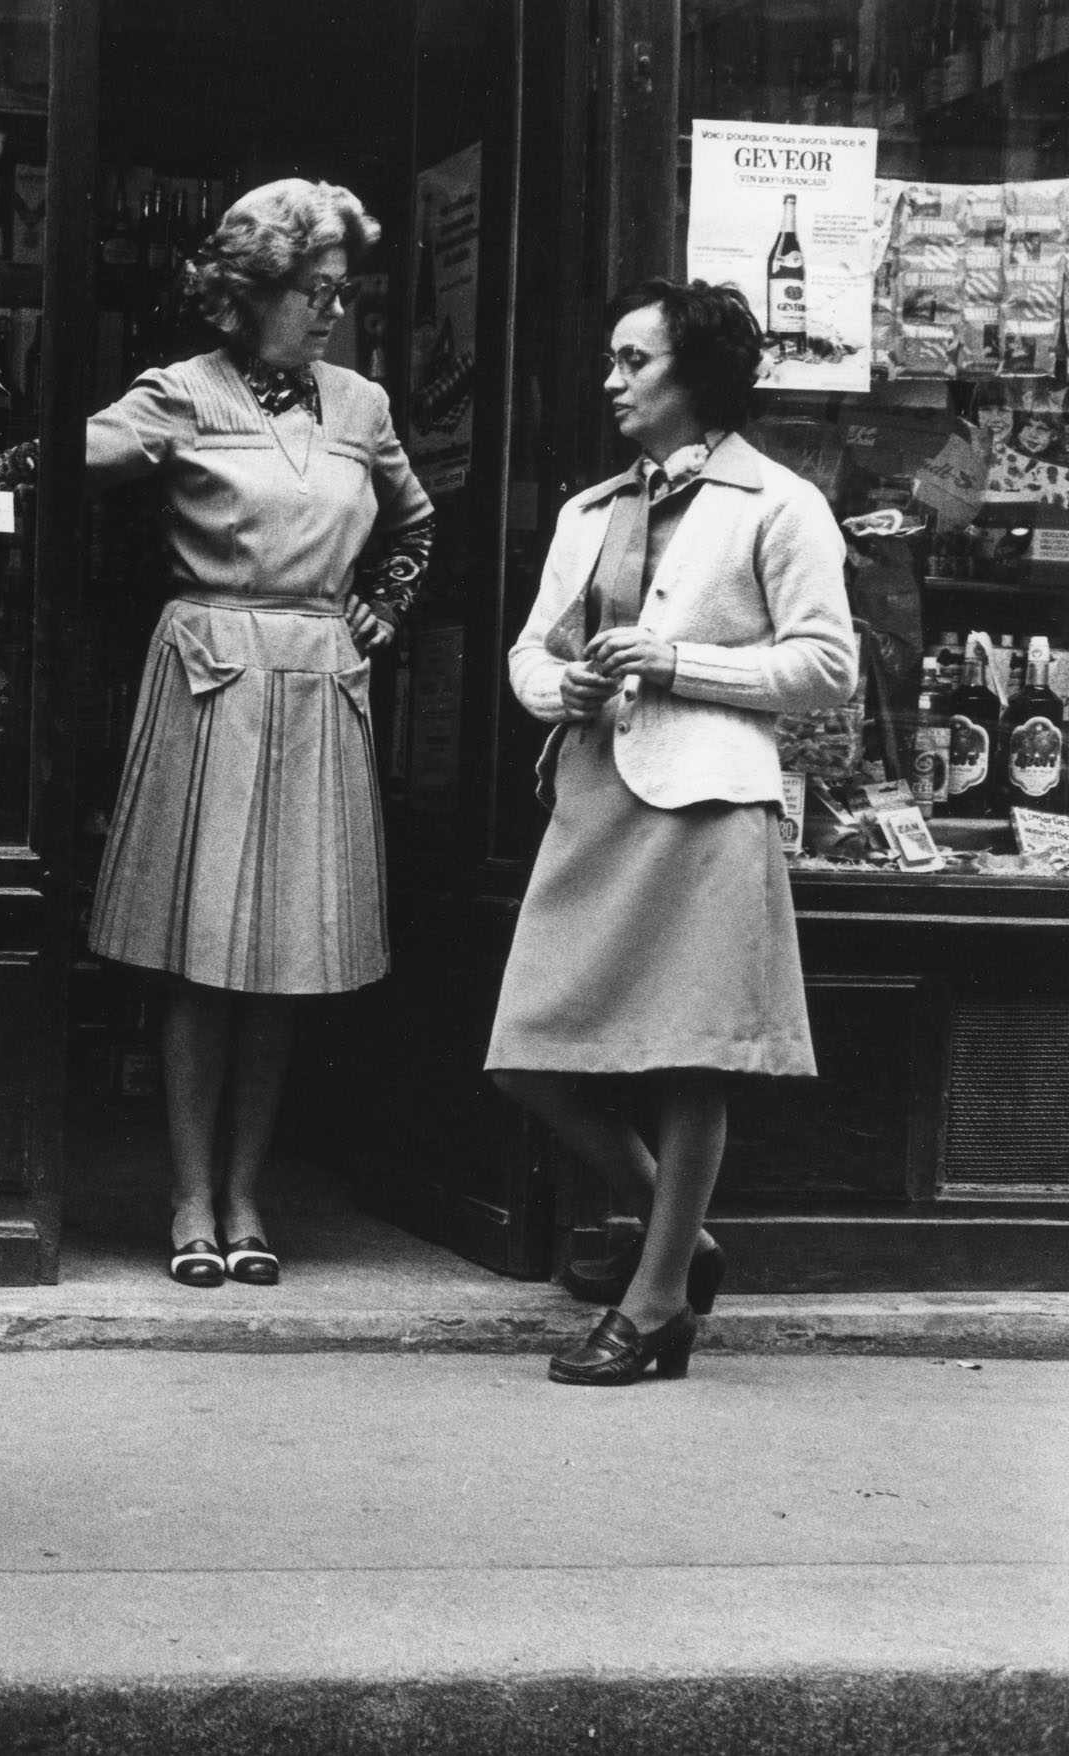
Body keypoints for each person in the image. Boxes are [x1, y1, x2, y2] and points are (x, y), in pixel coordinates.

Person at [485, 278, 856, 1385]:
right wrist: (565, 692)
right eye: (612, 360)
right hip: (597, 795)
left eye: (633, 361)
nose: (613, 381)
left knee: (693, 1065)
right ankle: (681, 1242)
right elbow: (528, 652)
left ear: (696, 376)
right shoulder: (592, 512)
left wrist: (676, 661)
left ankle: (654, 1310)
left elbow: (828, 668)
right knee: (529, 1056)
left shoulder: (779, 504)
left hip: (707, 802)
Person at [81, 179, 435, 1289]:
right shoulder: (180, 392)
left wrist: (383, 608)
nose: (332, 311)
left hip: (318, 677)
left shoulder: (362, 405)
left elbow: (416, 522)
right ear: (250, 294)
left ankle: (246, 1194)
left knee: (282, 958)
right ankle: (188, 1196)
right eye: (312, 291)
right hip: (210, 679)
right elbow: (72, 459)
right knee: (200, 959)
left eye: (342, 291)